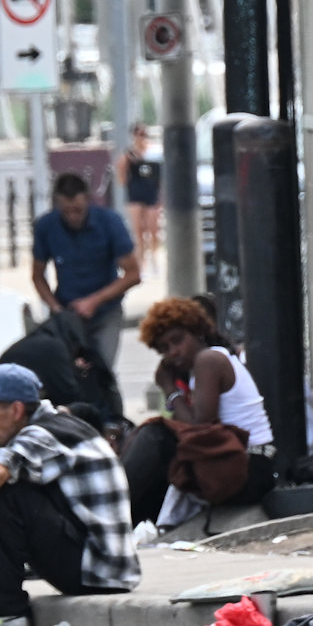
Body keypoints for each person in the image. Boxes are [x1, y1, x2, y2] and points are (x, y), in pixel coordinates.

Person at [0, 365, 140, 626]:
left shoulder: (47, 432)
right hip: (91, 565)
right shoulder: (43, 428)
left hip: (98, 569)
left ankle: (2, 610)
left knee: (0, 490)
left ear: (16, 410)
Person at [124, 297, 277, 528]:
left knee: (155, 436)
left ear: (196, 331)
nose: (173, 352)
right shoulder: (201, 367)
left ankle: (113, 509)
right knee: (153, 440)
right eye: (165, 348)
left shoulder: (209, 360)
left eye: (178, 340)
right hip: (237, 462)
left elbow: (198, 428)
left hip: (250, 467)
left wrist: (169, 389)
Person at [30, 172, 140, 368]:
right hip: (67, 312)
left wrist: (94, 301)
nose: (72, 216)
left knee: (103, 369)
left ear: (88, 202)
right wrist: (55, 308)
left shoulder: (110, 222)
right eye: (66, 211)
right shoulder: (46, 226)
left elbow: (133, 274)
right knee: (65, 371)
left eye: (78, 210)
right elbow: (37, 275)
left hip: (106, 312)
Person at [115, 123, 163, 271]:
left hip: (151, 194)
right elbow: (121, 176)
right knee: (139, 230)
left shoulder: (154, 152)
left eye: (144, 134)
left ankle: (154, 256)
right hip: (135, 194)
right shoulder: (129, 154)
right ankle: (142, 261)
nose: (142, 137)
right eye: (139, 134)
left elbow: (160, 176)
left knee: (153, 228)